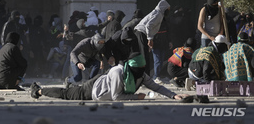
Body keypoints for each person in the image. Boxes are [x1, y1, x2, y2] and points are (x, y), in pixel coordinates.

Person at [30, 52, 188, 101]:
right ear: (132, 67)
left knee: (72, 90)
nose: (142, 71)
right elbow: (116, 96)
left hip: (103, 88)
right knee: (67, 95)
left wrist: (174, 95)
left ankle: (72, 86)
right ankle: (38, 91)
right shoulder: (118, 72)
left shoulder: (140, 74)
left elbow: (155, 86)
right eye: (139, 68)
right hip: (93, 89)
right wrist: (136, 97)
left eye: (143, 68)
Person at [134, 0, 171, 76]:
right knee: (144, 57)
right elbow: (149, 25)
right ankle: (145, 77)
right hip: (142, 33)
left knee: (145, 55)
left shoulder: (158, 13)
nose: (168, 11)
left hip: (142, 33)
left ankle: (145, 77)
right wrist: (150, 39)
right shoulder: (158, 14)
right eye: (168, 9)